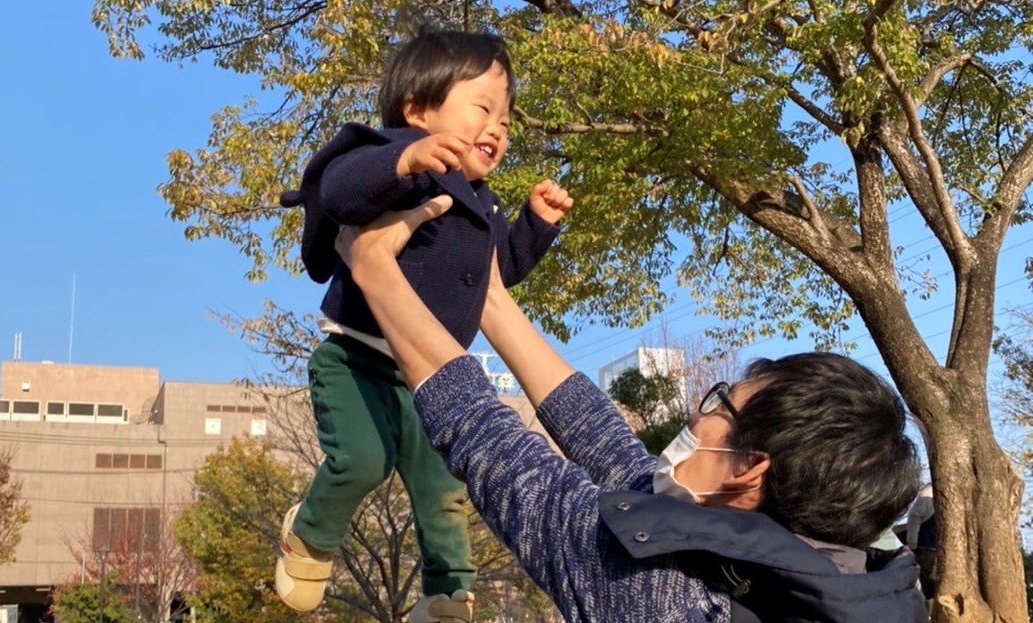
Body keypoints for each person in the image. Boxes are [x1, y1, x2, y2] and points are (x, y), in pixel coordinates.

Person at [332, 197, 929, 622]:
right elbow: (608, 445)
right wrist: (490, 298)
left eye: (719, 404)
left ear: (749, 468)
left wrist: (374, 267)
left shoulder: (663, 598)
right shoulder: (849, 582)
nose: (696, 419)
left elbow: (496, 449)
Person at [274, 28, 573, 622]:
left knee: (445, 492)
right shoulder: (393, 159)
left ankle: (447, 594)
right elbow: (338, 192)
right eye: (482, 109)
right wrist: (403, 157)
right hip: (356, 360)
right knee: (362, 461)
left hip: (431, 380)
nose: (496, 129)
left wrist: (534, 227)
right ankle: (308, 539)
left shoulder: (482, 204)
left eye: (507, 122)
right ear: (418, 110)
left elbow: (492, 278)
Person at [906, 483, 937, 600]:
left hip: (939, 549)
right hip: (928, 548)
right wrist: (912, 543)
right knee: (932, 586)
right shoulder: (928, 493)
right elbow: (914, 517)